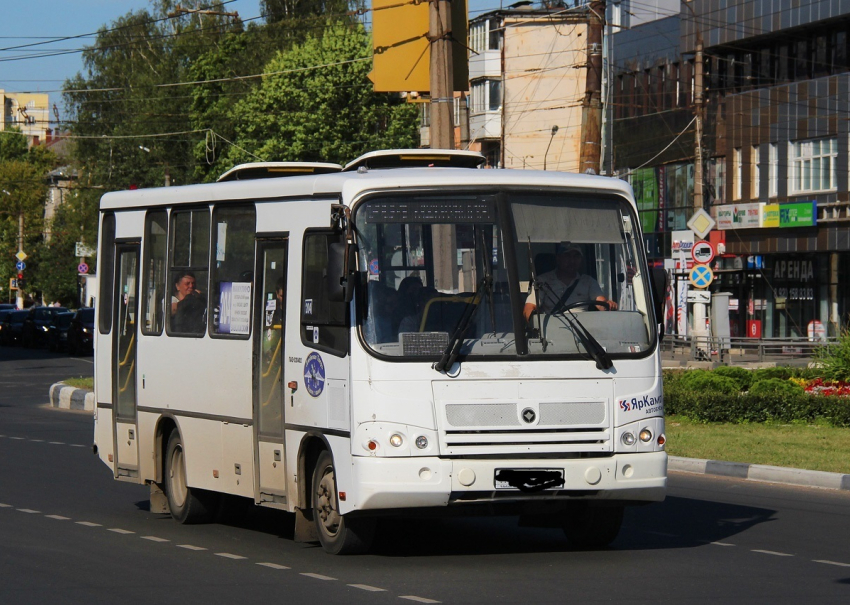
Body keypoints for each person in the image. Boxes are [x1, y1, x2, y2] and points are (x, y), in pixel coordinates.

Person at [523, 242, 617, 322]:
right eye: (567, 256)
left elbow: (601, 303)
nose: (572, 261)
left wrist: (609, 305)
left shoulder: (588, 282)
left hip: (584, 329)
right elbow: (529, 308)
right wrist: (533, 321)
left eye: (576, 256)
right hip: (553, 331)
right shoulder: (542, 281)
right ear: (558, 258)